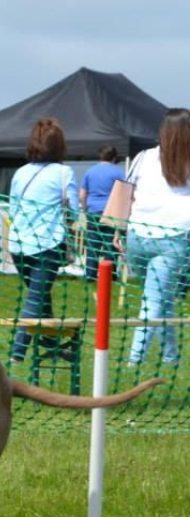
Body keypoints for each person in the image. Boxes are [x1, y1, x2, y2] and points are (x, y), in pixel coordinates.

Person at [7, 117, 79, 363]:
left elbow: (13, 210)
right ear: (59, 146)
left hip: (18, 246)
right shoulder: (64, 173)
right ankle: (17, 354)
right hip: (47, 245)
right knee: (36, 298)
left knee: (40, 293)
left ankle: (51, 343)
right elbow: (74, 213)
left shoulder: (20, 172)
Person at [122, 108, 190, 367]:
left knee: (161, 297)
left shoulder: (143, 157)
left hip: (137, 236)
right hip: (174, 238)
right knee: (154, 300)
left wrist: (118, 231)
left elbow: (125, 192)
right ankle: (133, 360)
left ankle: (171, 356)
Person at [80, 145, 126, 281]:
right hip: (111, 212)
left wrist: (84, 209)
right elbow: (123, 193)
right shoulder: (118, 172)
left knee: (92, 245)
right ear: (114, 157)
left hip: (93, 211)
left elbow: (82, 194)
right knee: (110, 245)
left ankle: (90, 275)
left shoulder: (90, 171)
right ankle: (109, 275)